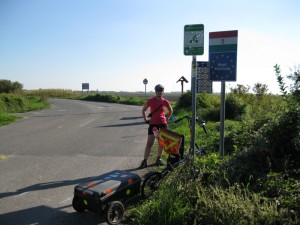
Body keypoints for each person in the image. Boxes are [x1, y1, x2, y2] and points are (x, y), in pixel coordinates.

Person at [139, 84, 173, 169]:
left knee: (161, 142)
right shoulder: (151, 100)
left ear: (163, 91)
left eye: (161, 91)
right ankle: (145, 161)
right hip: (153, 124)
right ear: (155, 91)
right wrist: (145, 119)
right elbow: (143, 110)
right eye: (158, 91)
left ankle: (158, 159)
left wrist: (167, 118)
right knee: (149, 143)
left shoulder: (165, 101)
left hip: (162, 124)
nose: (160, 92)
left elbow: (170, 110)